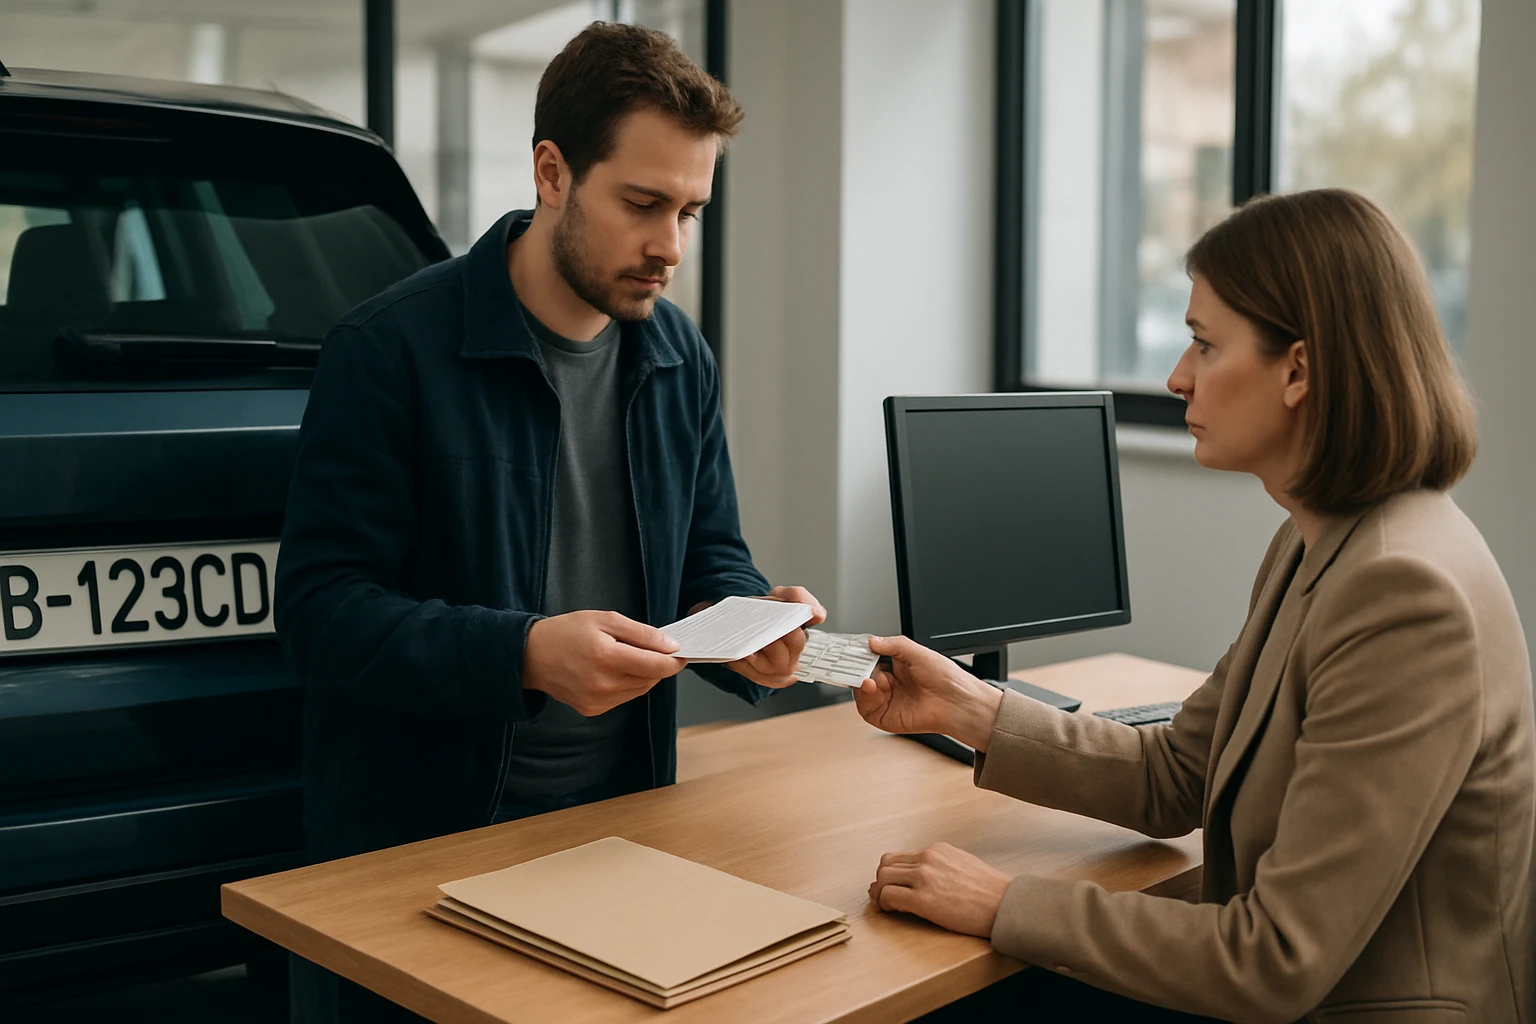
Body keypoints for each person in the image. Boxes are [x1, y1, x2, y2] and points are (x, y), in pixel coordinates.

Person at [854, 188, 1535, 1023]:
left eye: (1204, 346)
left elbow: (1275, 960)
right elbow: (1180, 772)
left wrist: (1002, 903)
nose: (1177, 377)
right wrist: (968, 706)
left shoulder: (1405, 594)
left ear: (1299, 370)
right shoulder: (1321, 540)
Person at [274, 22, 823, 1024]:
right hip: (429, 853)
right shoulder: (389, 350)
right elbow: (322, 613)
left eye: (692, 211)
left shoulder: (677, 354)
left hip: (620, 832)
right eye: (645, 204)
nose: (670, 246)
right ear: (552, 172)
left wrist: (750, 625)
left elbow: (710, 549)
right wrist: (522, 653)